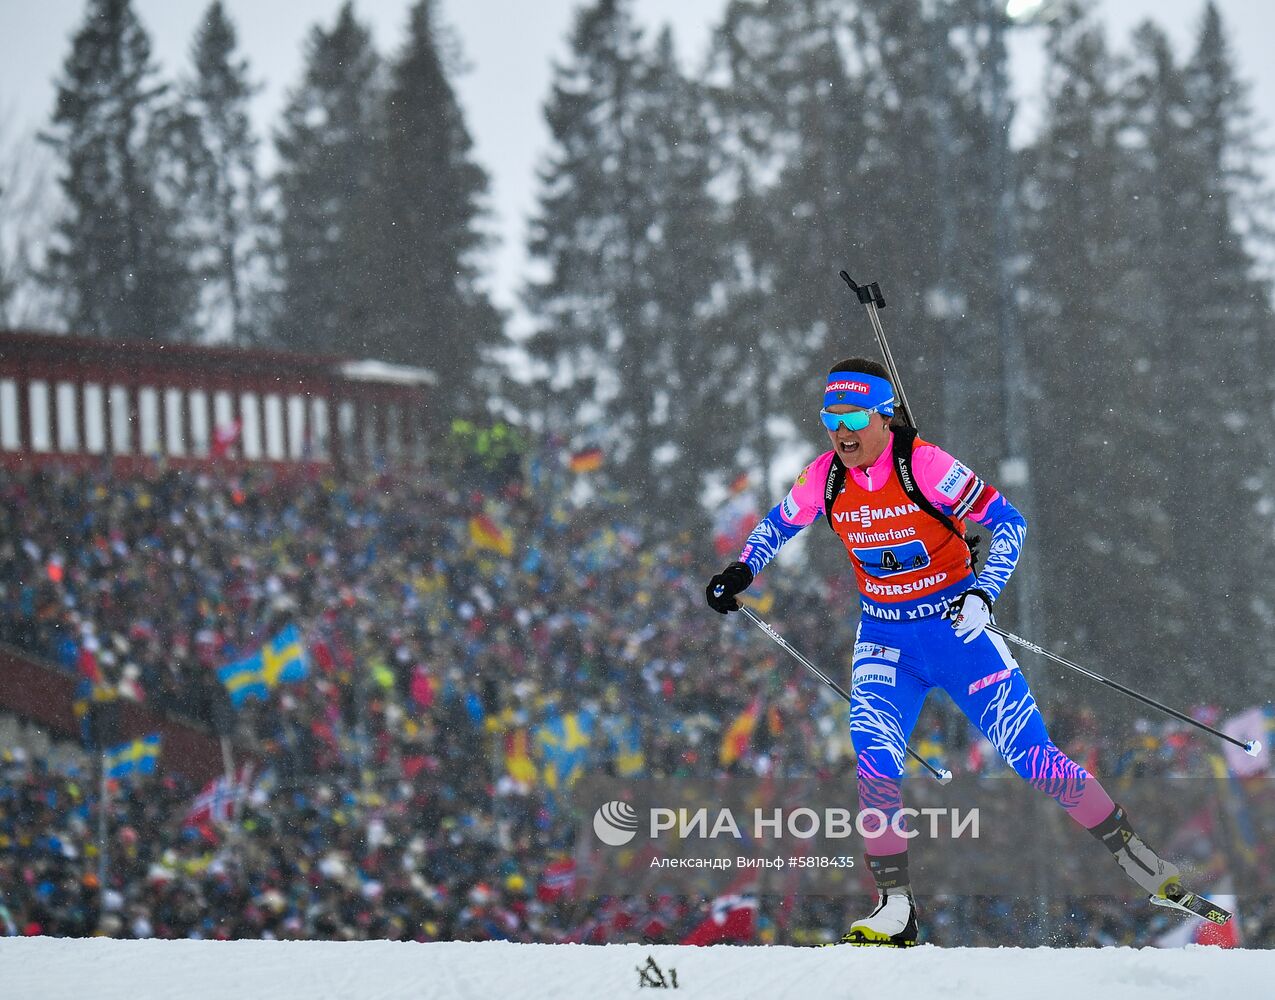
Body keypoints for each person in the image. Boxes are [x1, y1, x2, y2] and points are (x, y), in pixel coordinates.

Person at [706, 358, 1194, 947]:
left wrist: (984, 592)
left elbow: (1009, 522)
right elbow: (780, 525)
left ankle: (1134, 855)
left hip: (957, 633)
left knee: (1032, 757)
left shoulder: (925, 465)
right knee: (873, 758)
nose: (842, 430)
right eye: (830, 417)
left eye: (854, 415)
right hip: (886, 641)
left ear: (883, 416)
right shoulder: (825, 477)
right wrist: (740, 570)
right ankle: (896, 907)